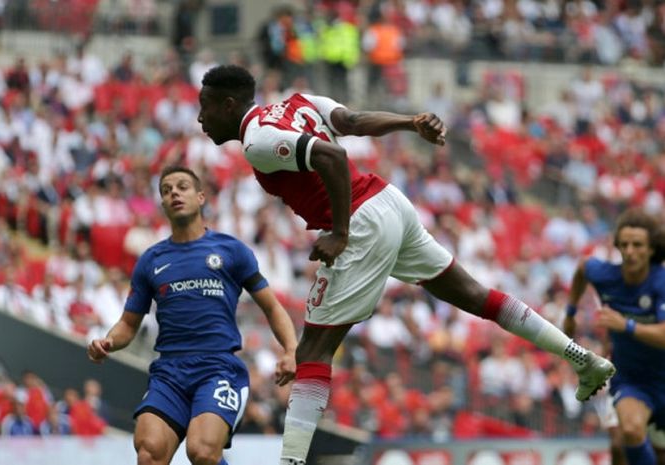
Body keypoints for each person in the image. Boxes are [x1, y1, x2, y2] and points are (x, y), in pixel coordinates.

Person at [197, 65, 616, 465]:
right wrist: (409, 122)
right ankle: (583, 359)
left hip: (361, 223)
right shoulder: (296, 103)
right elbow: (354, 121)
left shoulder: (257, 139)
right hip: (388, 203)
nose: (200, 118)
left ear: (229, 104)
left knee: (312, 352)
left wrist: (340, 232)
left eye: (206, 107)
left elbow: (332, 157)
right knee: (475, 296)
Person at [87, 166, 298, 465]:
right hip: (169, 373)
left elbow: (273, 307)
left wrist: (291, 350)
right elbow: (128, 323)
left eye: (182, 186)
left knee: (201, 452)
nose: (174, 192)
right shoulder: (151, 260)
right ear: (162, 204)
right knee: (148, 453)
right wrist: (107, 341)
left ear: (200, 197)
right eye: (166, 190)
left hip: (218, 369)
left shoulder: (231, 250)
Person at [564, 208, 665, 465]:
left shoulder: (661, 283)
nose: (630, 251)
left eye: (638, 245)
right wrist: (570, 313)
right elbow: (583, 268)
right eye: (625, 244)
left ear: (652, 249)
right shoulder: (605, 275)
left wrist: (626, 326)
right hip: (633, 380)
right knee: (626, 434)